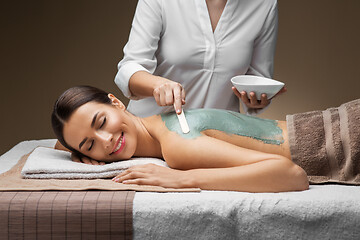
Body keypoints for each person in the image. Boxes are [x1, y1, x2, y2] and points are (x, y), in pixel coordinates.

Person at [53, 86, 360, 192]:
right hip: (333, 121)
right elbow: (69, 139)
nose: (106, 141)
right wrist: (72, 149)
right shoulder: (161, 123)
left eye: (101, 122)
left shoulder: (176, 146)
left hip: (346, 140)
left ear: (116, 102)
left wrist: (178, 180)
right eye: (90, 144)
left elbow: (291, 175)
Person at [115, 0, 285, 117]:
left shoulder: (264, 4)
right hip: (150, 134)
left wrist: (256, 100)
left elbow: (258, 78)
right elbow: (129, 69)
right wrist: (157, 85)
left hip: (215, 141)